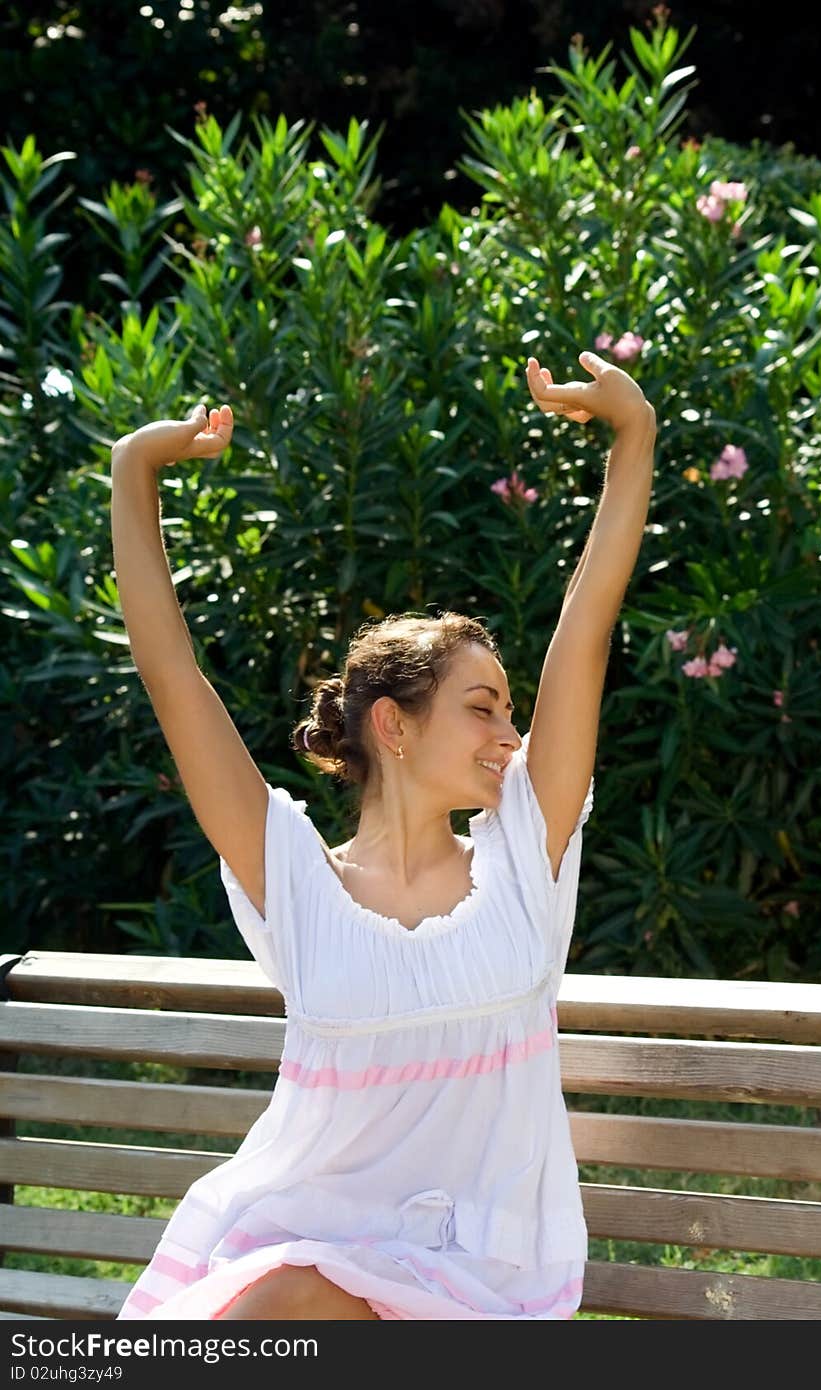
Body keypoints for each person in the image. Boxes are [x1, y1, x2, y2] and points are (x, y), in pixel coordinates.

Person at [111, 350, 656, 1320]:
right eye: (481, 709)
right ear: (393, 727)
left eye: (510, 711)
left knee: (278, 1302)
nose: (509, 735)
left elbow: (587, 626)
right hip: (306, 1256)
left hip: (482, 1285)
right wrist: (133, 472)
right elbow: (171, 674)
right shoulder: (298, 882)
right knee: (271, 1297)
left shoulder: (526, 858)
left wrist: (633, 438)